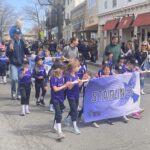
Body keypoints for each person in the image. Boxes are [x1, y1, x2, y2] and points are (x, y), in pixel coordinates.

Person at [6, 28, 30, 100]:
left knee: (20, 79)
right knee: (14, 79)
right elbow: (7, 53)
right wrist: (10, 49)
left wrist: (27, 47)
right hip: (13, 64)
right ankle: (13, 92)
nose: (18, 35)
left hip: (21, 64)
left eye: (19, 34)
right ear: (14, 35)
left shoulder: (22, 42)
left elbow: (27, 53)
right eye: (17, 34)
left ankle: (19, 93)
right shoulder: (11, 42)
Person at [50, 67, 70, 139]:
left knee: (59, 112)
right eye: (59, 69)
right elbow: (55, 89)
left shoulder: (63, 78)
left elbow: (63, 88)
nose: (61, 70)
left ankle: (54, 127)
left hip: (61, 99)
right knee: (59, 115)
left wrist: (67, 85)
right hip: (55, 99)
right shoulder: (53, 78)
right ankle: (59, 133)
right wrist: (64, 85)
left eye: (61, 69)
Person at [64, 59, 83, 134]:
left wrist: (81, 82)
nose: (79, 67)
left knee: (73, 109)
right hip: (71, 96)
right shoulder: (68, 76)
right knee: (75, 111)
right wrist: (75, 83)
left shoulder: (76, 75)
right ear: (73, 68)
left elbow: (78, 85)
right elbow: (69, 87)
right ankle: (74, 127)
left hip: (76, 95)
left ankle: (67, 118)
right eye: (77, 66)